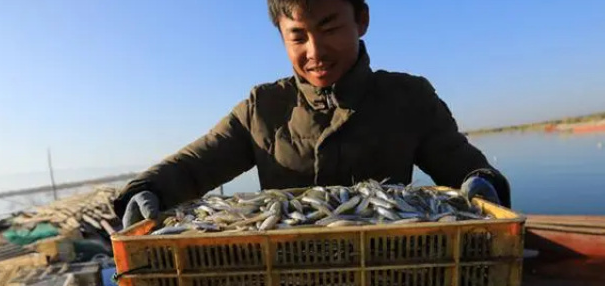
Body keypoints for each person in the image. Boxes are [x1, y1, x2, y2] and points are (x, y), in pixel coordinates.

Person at [113, 0, 511, 228]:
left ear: (361, 21)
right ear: (282, 38)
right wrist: (146, 189)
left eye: (329, 28)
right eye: (298, 37)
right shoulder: (262, 109)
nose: (315, 52)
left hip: (389, 272)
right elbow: (195, 165)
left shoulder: (409, 97)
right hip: (289, 282)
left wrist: (482, 182)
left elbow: (459, 162)